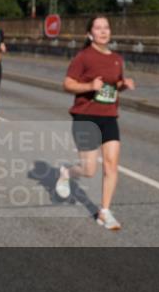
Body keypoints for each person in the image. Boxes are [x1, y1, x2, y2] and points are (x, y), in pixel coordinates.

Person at [55, 15, 135, 231]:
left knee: (111, 164)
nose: (103, 31)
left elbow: (113, 85)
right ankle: (67, 172)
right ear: (90, 34)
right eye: (98, 28)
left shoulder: (117, 58)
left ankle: (104, 211)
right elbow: (67, 84)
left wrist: (123, 85)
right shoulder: (84, 57)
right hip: (85, 117)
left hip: (109, 116)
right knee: (89, 170)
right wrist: (90, 85)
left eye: (106, 27)